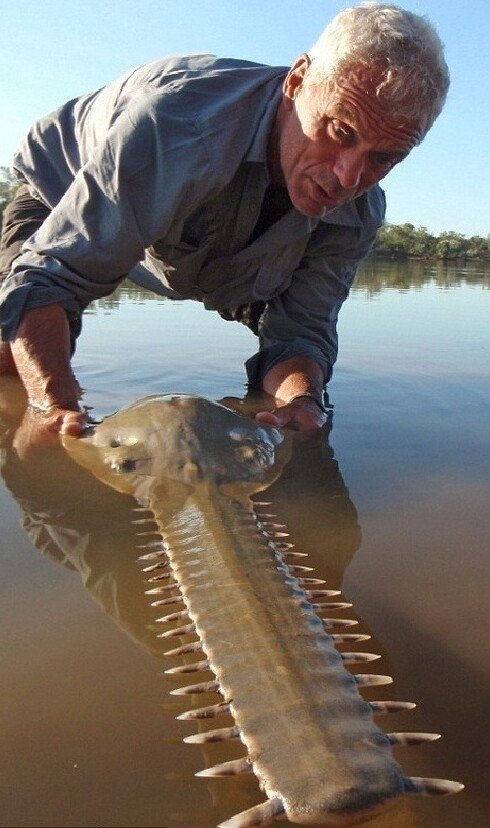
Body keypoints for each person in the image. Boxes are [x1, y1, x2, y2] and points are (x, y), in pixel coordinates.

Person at [0, 2, 449, 438]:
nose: (349, 177)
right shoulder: (178, 126)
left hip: (223, 266)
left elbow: (299, 335)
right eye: (340, 132)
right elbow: (47, 281)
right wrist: (55, 410)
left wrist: (303, 404)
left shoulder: (359, 211)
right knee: (12, 362)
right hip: (63, 195)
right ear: (297, 82)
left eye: (385, 157)